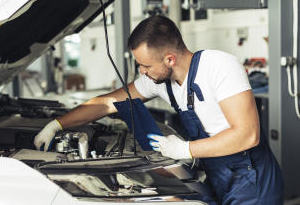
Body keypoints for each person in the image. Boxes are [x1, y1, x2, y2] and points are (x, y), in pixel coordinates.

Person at [34, 15, 284, 204]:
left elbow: (247, 134)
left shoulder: (220, 66)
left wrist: (186, 149)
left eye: (144, 65)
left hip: (252, 179)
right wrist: (57, 124)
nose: (141, 72)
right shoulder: (160, 80)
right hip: (216, 174)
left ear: (170, 59)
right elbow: (107, 103)